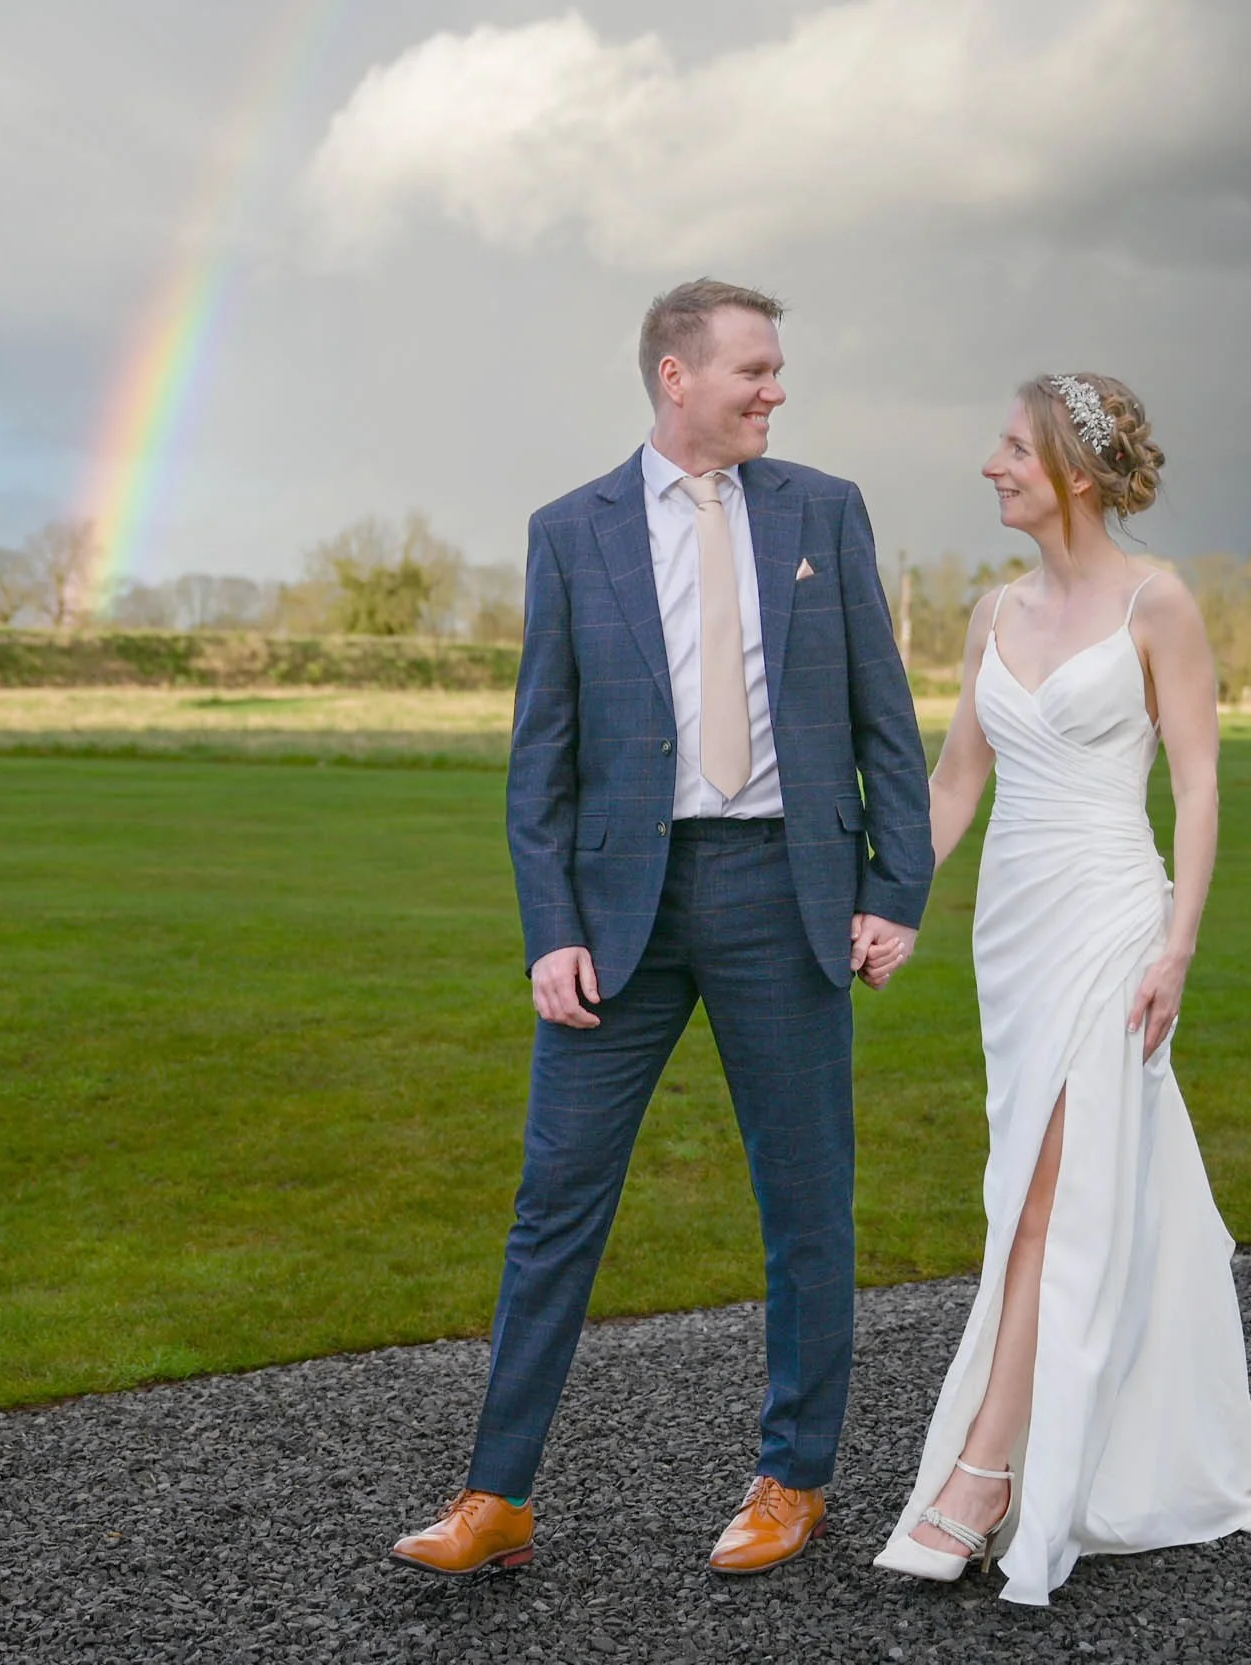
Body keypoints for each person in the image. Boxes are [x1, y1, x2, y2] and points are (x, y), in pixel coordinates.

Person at [391, 279, 933, 1577]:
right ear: (676, 378)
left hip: (784, 895)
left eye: (780, 369)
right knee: (556, 1200)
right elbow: (543, 758)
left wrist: (891, 889)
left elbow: (882, 726)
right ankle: (497, 1497)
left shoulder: (827, 512)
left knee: (806, 1203)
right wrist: (548, 928)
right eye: (754, 368)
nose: (776, 389)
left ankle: (793, 1478)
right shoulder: (568, 531)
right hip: (618, 913)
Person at [871, 374, 1251, 1602]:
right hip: (1014, 938)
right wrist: (899, 901)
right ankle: (1087, 1443)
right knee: (1032, 1191)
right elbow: (957, 781)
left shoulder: (1160, 605)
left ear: (1073, 471)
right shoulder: (990, 609)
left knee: (1051, 1199)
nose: (989, 465)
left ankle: (984, 1477)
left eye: (1010, 448)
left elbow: (1202, 789)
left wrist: (1177, 946)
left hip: (1115, 921)